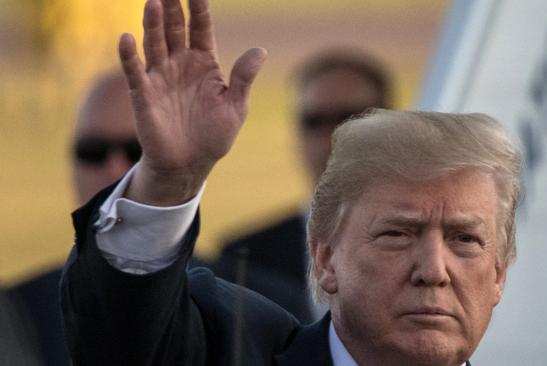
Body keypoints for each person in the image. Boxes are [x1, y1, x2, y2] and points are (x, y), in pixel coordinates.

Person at [61, 1, 521, 365]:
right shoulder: (232, 348)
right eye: (397, 234)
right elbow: (125, 337)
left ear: (498, 274)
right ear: (324, 258)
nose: (433, 270)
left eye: (465, 239)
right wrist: (166, 183)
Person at [209, 47, 393, 323]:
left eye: (351, 118)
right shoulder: (243, 260)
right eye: (314, 121)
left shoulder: (432, 245)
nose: (332, 135)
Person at [8, 70, 140, 366]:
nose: (114, 171)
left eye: (137, 151)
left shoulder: (249, 309)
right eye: (93, 152)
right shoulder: (15, 317)